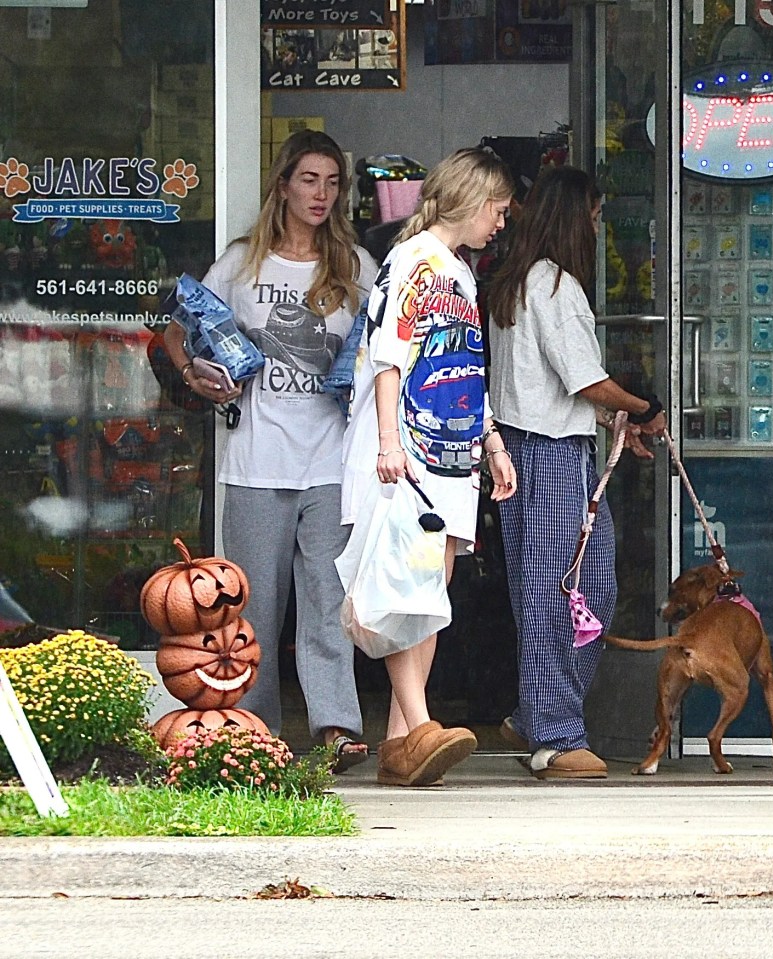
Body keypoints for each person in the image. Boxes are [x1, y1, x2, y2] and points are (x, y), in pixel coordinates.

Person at [164, 130, 378, 771]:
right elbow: (178, 334)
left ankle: (336, 727)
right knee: (253, 606)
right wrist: (194, 376)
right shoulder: (241, 264)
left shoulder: (356, 267)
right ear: (283, 184)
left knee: (325, 600)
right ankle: (252, 730)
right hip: (254, 457)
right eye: (309, 179)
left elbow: (388, 349)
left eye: (333, 181)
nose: (321, 194)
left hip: (332, 459)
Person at [341, 147, 517, 786]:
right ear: (469, 199)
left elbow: (467, 367)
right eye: (496, 209)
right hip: (414, 452)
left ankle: (400, 743)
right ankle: (418, 725)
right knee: (408, 590)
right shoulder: (415, 262)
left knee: (429, 594)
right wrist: (389, 443)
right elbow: (387, 358)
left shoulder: (457, 270)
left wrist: (490, 442)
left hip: (451, 453)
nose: (500, 223)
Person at [487, 165, 666, 780]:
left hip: (532, 448)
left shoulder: (516, 282)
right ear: (576, 219)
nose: (598, 228)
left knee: (568, 590)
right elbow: (585, 380)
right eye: (594, 217)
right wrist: (644, 408)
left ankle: (536, 715)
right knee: (562, 595)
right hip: (549, 455)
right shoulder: (555, 286)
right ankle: (556, 737)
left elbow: (557, 384)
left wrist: (616, 420)